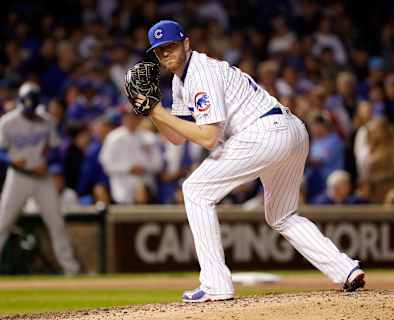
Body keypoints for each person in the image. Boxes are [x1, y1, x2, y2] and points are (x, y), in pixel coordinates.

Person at [127, 20, 365, 303]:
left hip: (264, 132)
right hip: (290, 131)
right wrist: (154, 113)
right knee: (282, 215)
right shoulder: (182, 82)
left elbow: (207, 138)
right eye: (159, 50)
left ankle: (216, 284)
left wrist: (158, 111)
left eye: (171, 46)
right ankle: (346, 269)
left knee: (195, 190)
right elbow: (178, 138)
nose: (165, 53)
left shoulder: (200, 72)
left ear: (186, 44)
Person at [0, 82, 80, 275]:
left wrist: (49, 163)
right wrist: (10, 160)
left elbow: (54, 149)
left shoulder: (47, 120)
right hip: (18, 177)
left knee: (56, 223)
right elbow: (0, 150)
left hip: (41, 177)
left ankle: (71, 269)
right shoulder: (7, 122)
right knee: (3, 222)